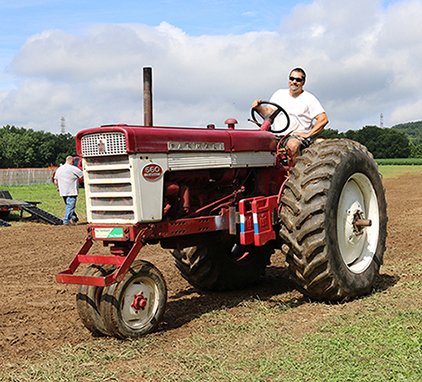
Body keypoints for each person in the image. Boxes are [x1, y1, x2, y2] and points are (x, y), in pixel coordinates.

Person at [252, 67, 328, 163]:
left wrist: (307, 134)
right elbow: (268, 113)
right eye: (292, 78)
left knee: (292, 145)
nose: (294, 82)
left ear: (303, 82)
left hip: (297, 137)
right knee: (256, 142)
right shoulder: (279, 94)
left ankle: (295, 175)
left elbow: (323, 119)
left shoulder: (309, 99)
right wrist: (259, 107)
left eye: (298, 80)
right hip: (278, 136)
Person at [54, 155, 84, 225]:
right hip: (71, 190)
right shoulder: (73, 168)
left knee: (69, 205)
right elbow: (82, 175)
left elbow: (55, 180)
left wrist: (58, 187)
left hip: (63, 190)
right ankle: (66, 220)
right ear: (72, 161)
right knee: (70, 206)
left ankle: (74, 218)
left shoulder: (59, 169)